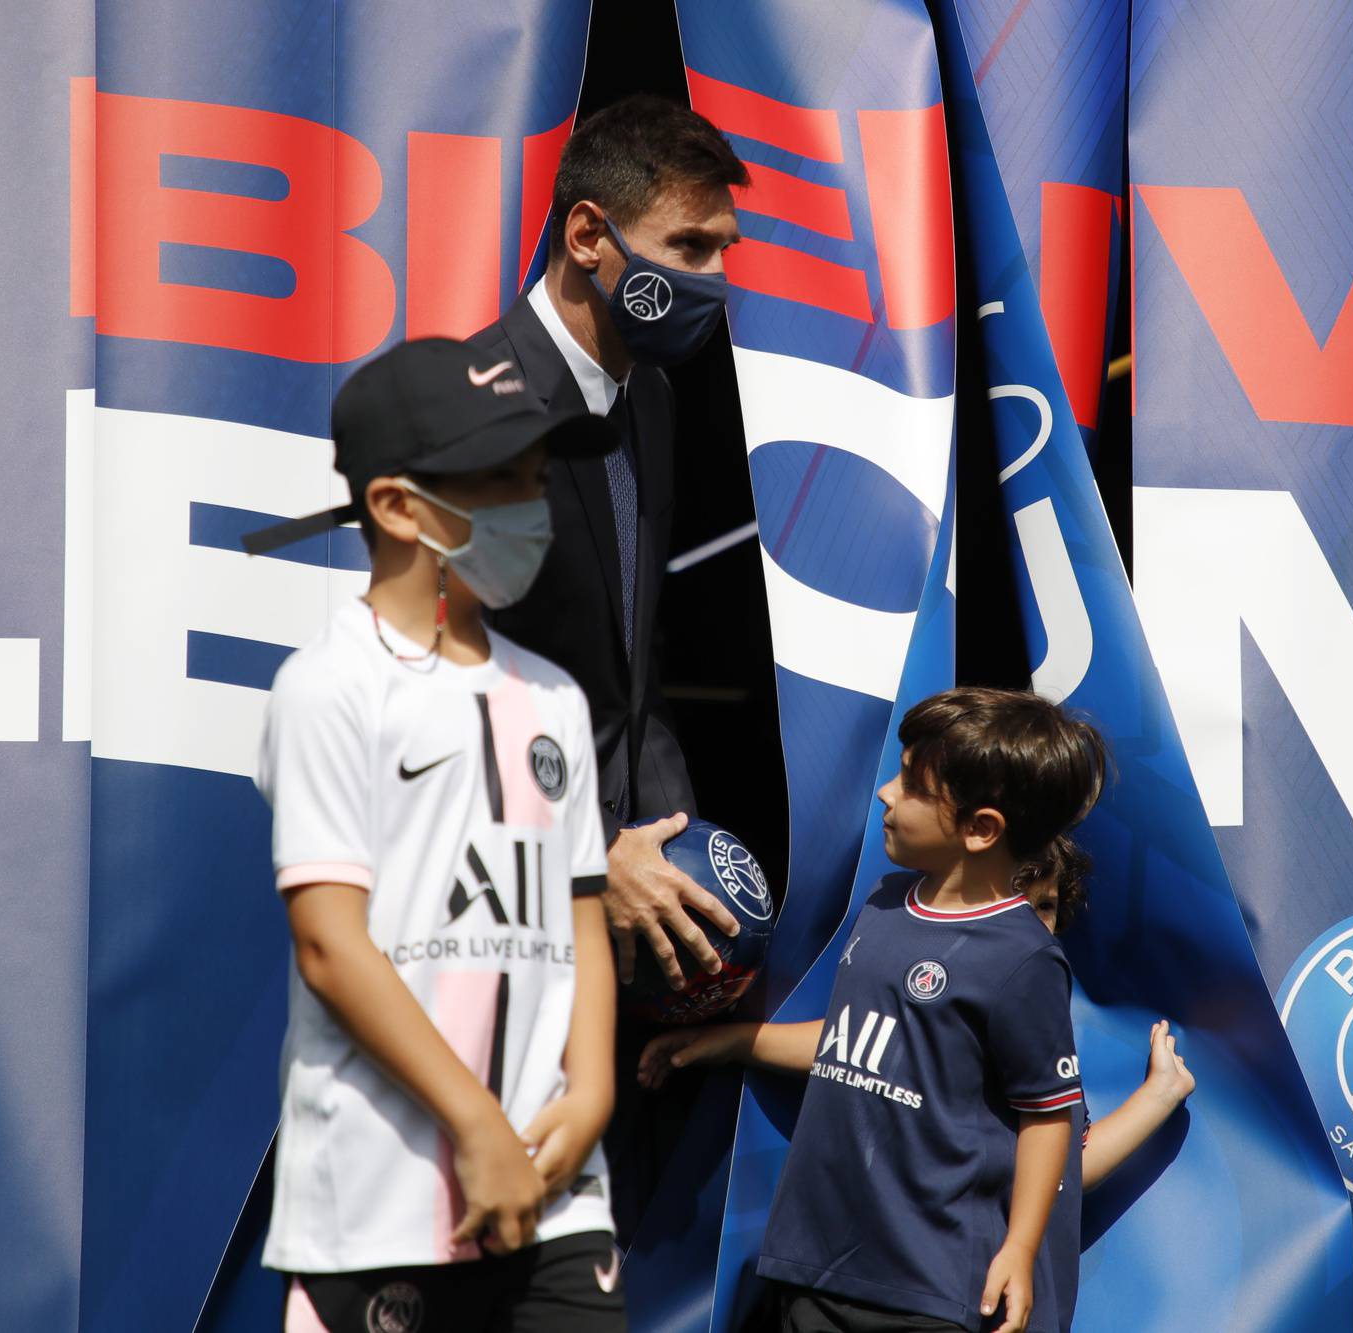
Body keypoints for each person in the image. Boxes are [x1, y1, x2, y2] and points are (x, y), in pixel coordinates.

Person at [242, 338, 626, 1332]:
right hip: (381, 1203)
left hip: (561, 1196)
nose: (531, 507)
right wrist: (474, 1126)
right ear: (397, 506)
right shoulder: (329, 687)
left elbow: (583, 916)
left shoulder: (555, 696)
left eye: (536, 479)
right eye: (500, 480)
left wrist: (590, 1092)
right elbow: (331, 945)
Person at [468, 92, 753, 1238]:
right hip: (478, 952)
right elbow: (434, 711)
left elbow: (635, 675)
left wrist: (675, 863)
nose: (715, 279)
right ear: (590, 236)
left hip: (606, 967)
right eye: (690, 248)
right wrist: (591, 857)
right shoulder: (474, 414)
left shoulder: (658, 403)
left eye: (726, 250)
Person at [639, 687, 1110, 1333]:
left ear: (980, 828)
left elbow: (1048, 1115)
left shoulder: (1024, 957)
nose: (886, 792)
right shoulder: (885, 903)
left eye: (913, 784)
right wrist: (731, 1041)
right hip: (815, 1262)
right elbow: (855, 1039)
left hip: (929, 1288)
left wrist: (1020, 1249)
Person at [1013, 838, 1196, 1192]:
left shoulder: (1034, 1019)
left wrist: (1162, 1091)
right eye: (1014, 902)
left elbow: (1062, 1173)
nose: (1030, 927)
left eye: (1045, 906)